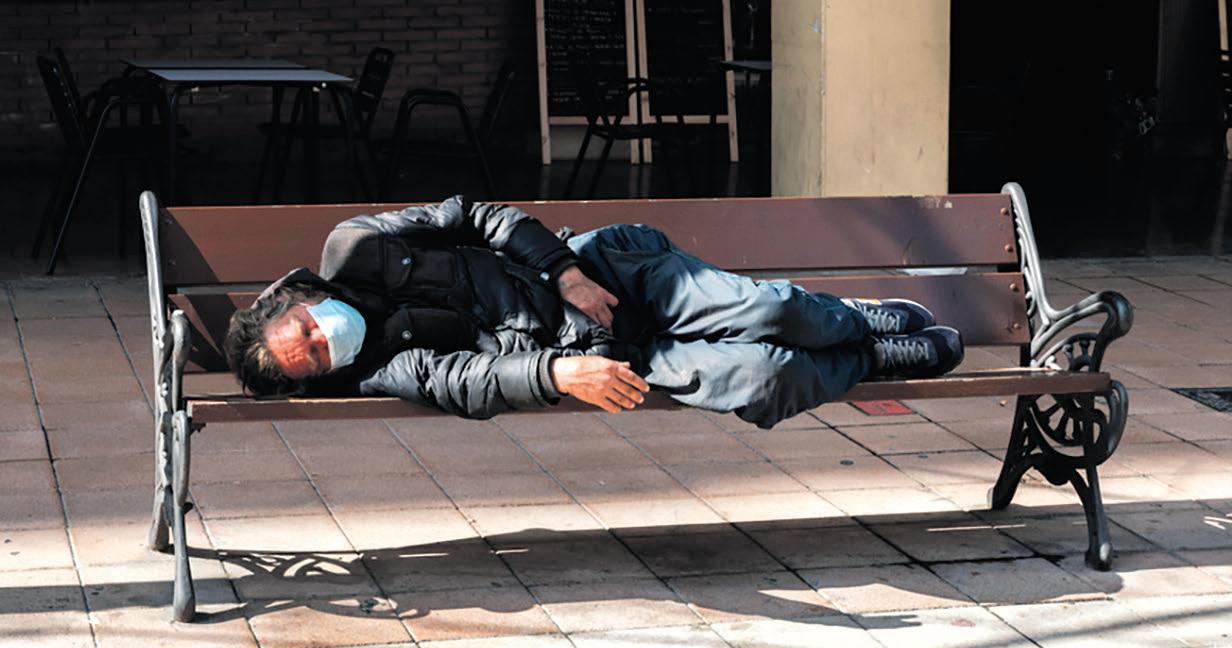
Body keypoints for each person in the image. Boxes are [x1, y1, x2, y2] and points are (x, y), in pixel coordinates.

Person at [224, 196, 964, 428]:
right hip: (607, 354)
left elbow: (480, 215)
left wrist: (566, 272)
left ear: (300, 300)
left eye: (307, 328)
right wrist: (556, 373)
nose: (324, 339)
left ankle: (853, 320)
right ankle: (871, 357)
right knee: (766, 379)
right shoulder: (378, 367)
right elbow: (465, 382)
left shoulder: (355, 245)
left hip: (608, 272)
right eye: (313, 358)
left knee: (769, 313)